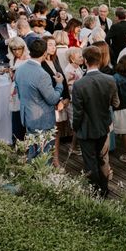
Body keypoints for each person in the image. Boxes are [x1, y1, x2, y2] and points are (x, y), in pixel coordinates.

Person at [72, 46, 119, 197]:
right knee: (102, 160)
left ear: (85, 61)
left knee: (90, 162)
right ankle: (104, 190)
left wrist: (75, 127)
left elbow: (77, 112)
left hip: (86, 129)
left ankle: (95, 194)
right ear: (99, 60)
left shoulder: (79, 84)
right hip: (103, 126)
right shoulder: (110, 79)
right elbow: (116, 103)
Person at [14, 38, 64, 161]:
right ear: (45, 53)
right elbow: (52, 99)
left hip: (27, 115)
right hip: (42, 119)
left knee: (32, 151)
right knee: (44, 156)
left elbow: (20, 93)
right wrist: (59, 84)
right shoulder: (42, 74)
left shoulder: (20, 69)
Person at [41, 36, 70, 167]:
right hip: (50, 103)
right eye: (50, 45)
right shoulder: (41, 64)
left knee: (57, 132)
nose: (53, 47)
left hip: (60, 100)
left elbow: (62, 77)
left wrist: (66, 97)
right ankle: (48, 159)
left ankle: (55, 158)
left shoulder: (55, 59)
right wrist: (56, 101)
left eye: (54, 45)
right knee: (49, 132)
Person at [7, 37, 28, 142]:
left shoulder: (27, 60)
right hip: (14, 91)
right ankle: (16, 139)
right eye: (14, 49)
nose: (17, 51)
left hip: (22, 92)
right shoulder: (12, 59)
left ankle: (21, 140)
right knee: (15, 115)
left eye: (19, 49)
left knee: (21, 117)